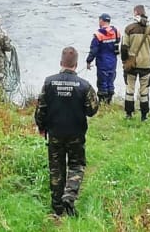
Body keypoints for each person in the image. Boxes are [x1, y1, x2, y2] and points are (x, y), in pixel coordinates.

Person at [35, 46, 99, 217]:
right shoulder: (84, 85)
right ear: (76, 65)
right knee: (76, 165)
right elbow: (92, 110)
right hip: (76, 133)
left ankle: (57, 207)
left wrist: (41, 127)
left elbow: (41, 108)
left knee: (56, 168)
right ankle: (69, 196)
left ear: (61, 63)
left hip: (55, 132)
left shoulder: (49, 83)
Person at [121, 5, 150, 121]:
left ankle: (128, 114)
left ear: (135, 13)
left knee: (129, 89)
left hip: (132, 64)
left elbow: (123, 47)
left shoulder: (129, 29)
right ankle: (144, 116)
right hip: (146, 64)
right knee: (144, 91)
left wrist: (124, 61)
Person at [86, 13, 121, 103]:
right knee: (110, 81)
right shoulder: (116, 31)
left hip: (102, 61)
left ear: (101, 20)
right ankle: (109, 102)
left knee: (102, 83)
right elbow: (118, 43)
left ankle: (102, 103)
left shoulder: (98, 34)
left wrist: (88, 61)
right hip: (113, 61)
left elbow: (93, 50)